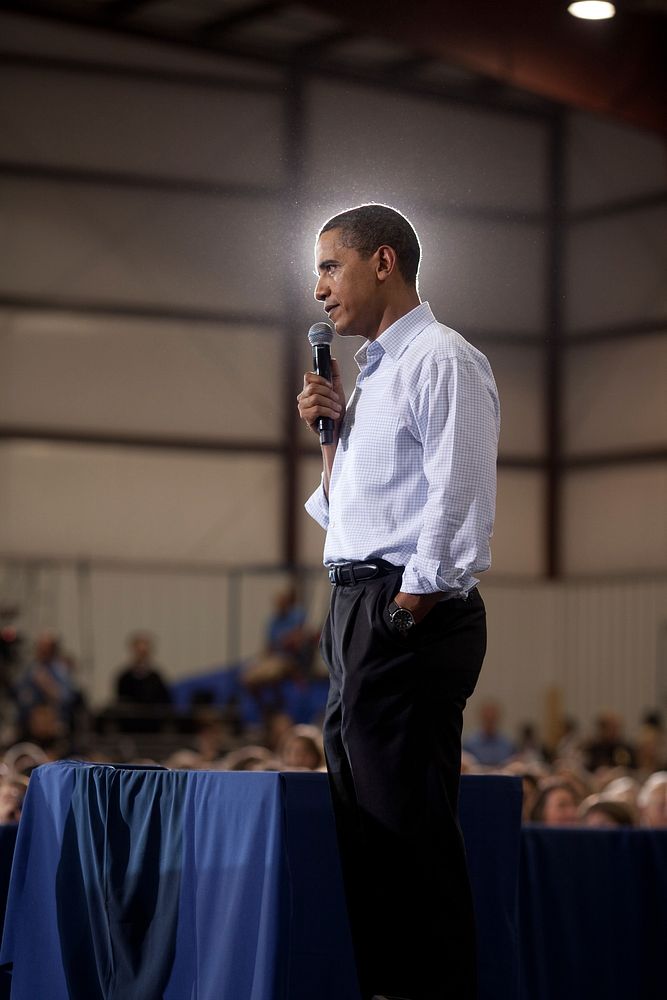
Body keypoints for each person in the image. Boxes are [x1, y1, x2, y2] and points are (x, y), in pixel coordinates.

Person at [297, 204, 499, 1000]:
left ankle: (433, 990)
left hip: (403, 608)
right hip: (358, 603)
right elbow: (359, 507)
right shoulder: (374, 371)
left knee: (405, 829)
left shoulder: (441, 359)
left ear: (382, 262)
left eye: (329, 266)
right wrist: (332, 437)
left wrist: (405, 608)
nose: (318, 290)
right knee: (365, 827)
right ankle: (388, 987)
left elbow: (459, 496)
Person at [463, 699, 516, 767]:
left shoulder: (508, 744)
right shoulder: (470, 744)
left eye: (492, 718)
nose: (490, 721)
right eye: (487, 718)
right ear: (482, 718)